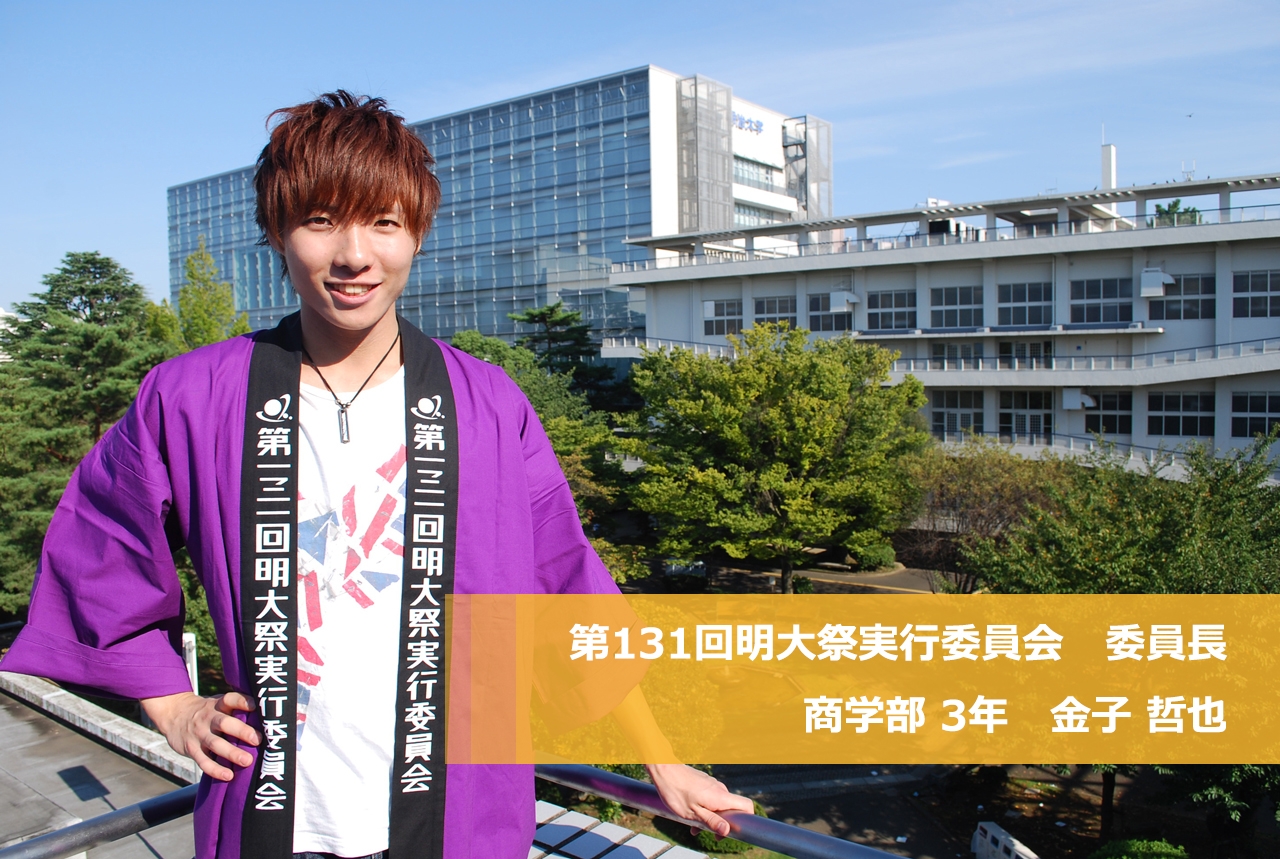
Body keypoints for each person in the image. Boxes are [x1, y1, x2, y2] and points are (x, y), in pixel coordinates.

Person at [0, 91, 751, 859]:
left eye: (384, 222)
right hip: (270, 813)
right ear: (276, 231)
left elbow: (565, 584)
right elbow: (101, 553)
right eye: (321, 220)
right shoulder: (194, 397)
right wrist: (172, 705)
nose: (354, 255)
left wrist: (662, 760)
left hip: (458, 817)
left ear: (417, 233)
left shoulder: (487, 405)